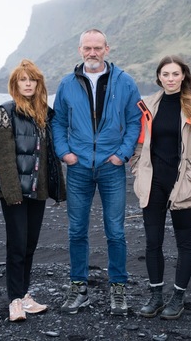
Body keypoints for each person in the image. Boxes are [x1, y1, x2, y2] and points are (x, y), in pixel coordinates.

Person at [52, 29, 141, 316]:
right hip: (78, 167)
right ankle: (79, 287)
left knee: (115, 231)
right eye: (87, 48)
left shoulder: (125, 82)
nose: (92, 53)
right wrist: (64, 153)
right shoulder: (67, 84)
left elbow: (134, 120)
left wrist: (122, 155)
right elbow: (58, 122)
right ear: (79, 50)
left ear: (107, 49)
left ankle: (118, 288)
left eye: (97, 48)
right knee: (77, 230)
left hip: (110, 167)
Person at [130, 55, 191, 320]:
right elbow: (140, 143)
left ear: (183, 76)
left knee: (184, 242)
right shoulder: (149, 105)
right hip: (153, 183)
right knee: (153, 242)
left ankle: (177, 298)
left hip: (182, 183)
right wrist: (137, 169)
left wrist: (189, 175)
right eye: (166, 74)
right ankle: (155, 297)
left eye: (176, 74)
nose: (171, 79)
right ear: (159, 77)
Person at [0, 59, 66, 322]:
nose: (27, 84)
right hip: (15, 192)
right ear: (15, 84)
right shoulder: (6, 112)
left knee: (30, 245)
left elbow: (47, 155)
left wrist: (51, 188)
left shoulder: (44, 113)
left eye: (31, 80)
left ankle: (24, 296)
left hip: (38, 191)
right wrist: (12, 194)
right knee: (17, 245)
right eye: (22, 80)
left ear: (38, 84)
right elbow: (3, 156)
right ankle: (14, 301)